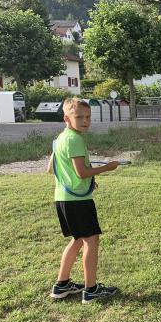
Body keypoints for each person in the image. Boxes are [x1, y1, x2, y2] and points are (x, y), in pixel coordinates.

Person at [47, 98, 119, 303]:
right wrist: (107, 167)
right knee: (91, 240)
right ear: (66, 118)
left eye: (88, 117)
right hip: (78, 202)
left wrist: (87, 181)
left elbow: (51, 168)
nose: (85, 121)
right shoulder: (75, 140)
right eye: (79, 117)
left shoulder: (60, 138)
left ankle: (62, 285)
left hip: (63, 198)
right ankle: (91, 289)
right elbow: (82, 172)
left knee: (78, 239)